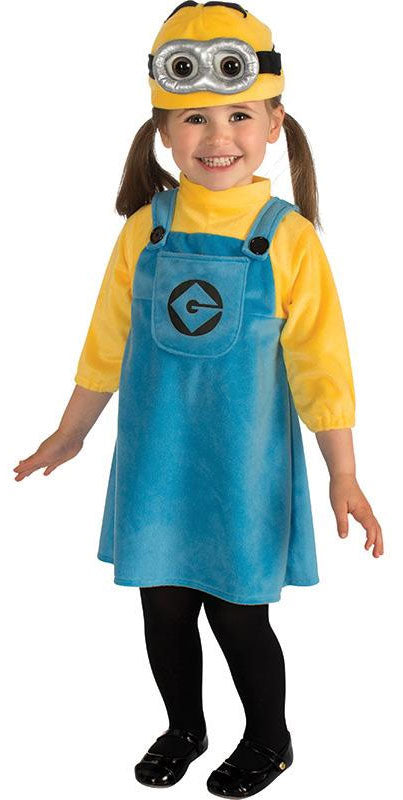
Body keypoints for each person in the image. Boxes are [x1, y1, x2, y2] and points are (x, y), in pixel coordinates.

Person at [13, 2, 384, 797]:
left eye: (239, 115)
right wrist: (70, 433)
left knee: (238, 613)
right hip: (157, 465)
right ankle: (184, 726)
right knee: (163, 607)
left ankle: (270, 741)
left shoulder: (287, 238)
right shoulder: (144, 229)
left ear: (274, 123)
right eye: (193, 119)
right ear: (162, 130)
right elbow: (105, 344)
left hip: (241, 470)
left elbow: (322, 364)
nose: (218, 138)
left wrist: (343, 472)